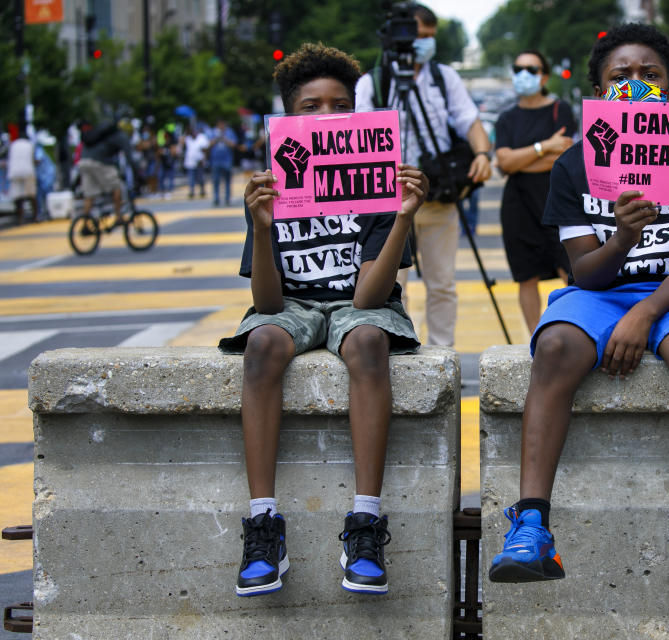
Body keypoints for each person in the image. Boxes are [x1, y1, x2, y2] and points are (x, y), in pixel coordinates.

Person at [487, 23, 669, 598]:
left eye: (649, 75)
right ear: (599, 94)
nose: (635, 84)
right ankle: (531, 524)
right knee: (554, 347)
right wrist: (624, 237)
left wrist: (646, 313)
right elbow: (585, 273)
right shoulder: (575, 166)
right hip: (599, 293)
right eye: (619, 77)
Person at [217, 42, 428, 598]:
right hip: (292, 304)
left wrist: (404, 218)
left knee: (366, 343)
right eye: (311, 106)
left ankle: (365, 522)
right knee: (261, 343)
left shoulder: (379, 182)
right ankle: (262, 524)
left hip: (357, 300)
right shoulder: (272, 182)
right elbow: (266, 304)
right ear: (288, 117)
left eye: (341, 104)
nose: (328, 116)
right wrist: (262, 226)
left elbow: (366, 298)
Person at [355, 3, 492, 347]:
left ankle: (443, 353)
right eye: (418, 35)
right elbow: (357, 135)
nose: (423, 43)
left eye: (430, 37)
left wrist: (482, 152)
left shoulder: (444, 78)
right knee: (391, 284)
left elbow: (468, 120)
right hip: (387, 200)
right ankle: (399, 348)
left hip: (437, 196)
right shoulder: (374, 82)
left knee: (442, 282)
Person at [495, 49, 575, 334]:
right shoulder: (506, 118)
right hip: (518, 206)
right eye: (518, 69)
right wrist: (543, 147)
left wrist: (521, 158)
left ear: (545, 76)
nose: (524, 75)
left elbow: (563, 155)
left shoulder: (559, 109)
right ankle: (535, 340)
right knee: (526, 276)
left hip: (557, 201)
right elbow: (504, 163)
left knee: (570, 270)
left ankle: (572, 330)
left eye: (531, 69)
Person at [76, 121, 137, 221]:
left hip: (83, 160)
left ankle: (85, 224)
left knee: (89, 195)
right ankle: (118, 217)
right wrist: (136, 172)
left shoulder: (101, 134)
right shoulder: (122, 136)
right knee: (117, 187)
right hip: (98, 161)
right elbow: (129, 158)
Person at [7, 133, 38, 225]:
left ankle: (20, 218)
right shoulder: (29, 144)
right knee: (31, 194)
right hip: (27, 170)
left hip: (14, 171)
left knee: (18, 196)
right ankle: (35, 216)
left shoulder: (13, 145)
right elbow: (32, 159)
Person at [208, 120, 238, 206]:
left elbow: (233, 144)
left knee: (227, 180)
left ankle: (227, 198)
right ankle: (216, 198)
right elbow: (208, 144)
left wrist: (224, 139)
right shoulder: (212, 132)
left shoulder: (229, 132)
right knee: (216, 180)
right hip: (215, 160)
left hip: (227, 160)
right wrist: (217, 138)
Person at [180, 125, 209, 198]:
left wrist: (204, 159)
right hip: (190, 161)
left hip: (199, 161)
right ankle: (192, 191)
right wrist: (184, 134)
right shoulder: (188, 138)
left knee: (200, 177)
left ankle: (202, 189)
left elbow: (205, 149)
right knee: (191, 177)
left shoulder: (201, 137)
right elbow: (181, 143)